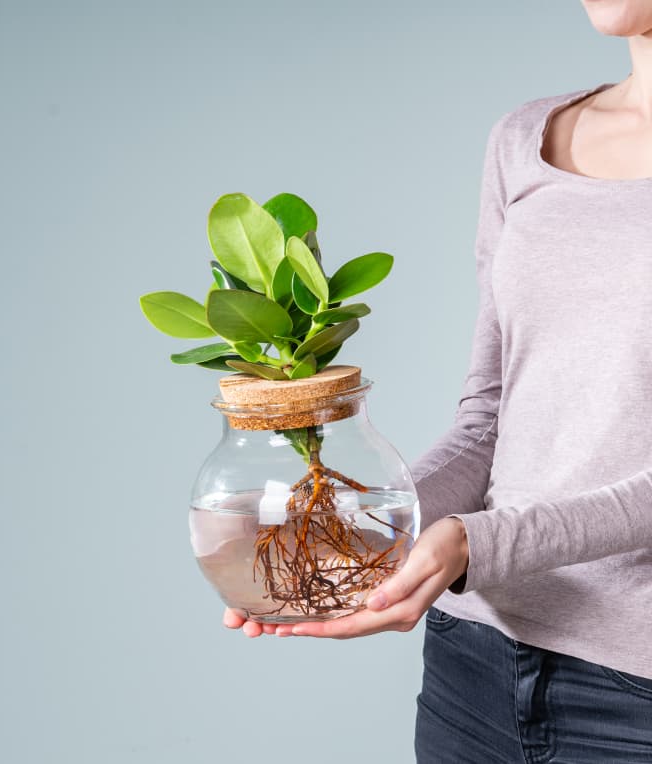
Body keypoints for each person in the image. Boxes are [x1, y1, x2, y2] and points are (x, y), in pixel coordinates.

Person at [224, 1, 652, 759]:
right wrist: (377, 533)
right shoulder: (525, 140)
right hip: (475, 666)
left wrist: (472, 545)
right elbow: (490, 416)